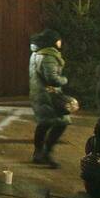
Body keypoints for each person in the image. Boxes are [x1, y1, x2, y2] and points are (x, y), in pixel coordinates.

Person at [28, 28, 72, 168]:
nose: (60, 42)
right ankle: (46, 152)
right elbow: (52, 78)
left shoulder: (37, 54)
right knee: (62, 122)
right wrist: (64, 80)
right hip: (48, 96)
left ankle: (39, 153)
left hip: (39, 94)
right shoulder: (48, 56)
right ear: (53, 42)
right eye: (58, 40)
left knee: (44, 123)